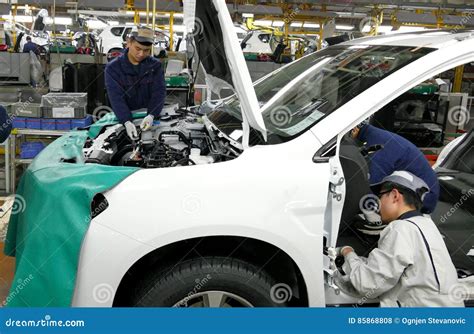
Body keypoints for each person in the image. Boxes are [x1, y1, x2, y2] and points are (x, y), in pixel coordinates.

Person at [337, 171, 463, 307]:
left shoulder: (401, 229)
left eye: (380, 196)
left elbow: (368, 284)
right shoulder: (426, 225)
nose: (378, 204)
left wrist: (348, 252)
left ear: (395, 195)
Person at [352, 122, 439, 214]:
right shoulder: (374, 135)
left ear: (354, 128)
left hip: (425, 197)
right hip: (423, 191)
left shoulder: (377, 142)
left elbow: (373, 181)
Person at [105, 26, 166, 140]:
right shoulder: (113, 68)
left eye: (146, 50)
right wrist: (126, 121)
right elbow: (116, 97)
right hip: (123, 117)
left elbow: (159, 92)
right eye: (138, 48)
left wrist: (152, 115)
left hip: (149, 117)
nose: (141, 54)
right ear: (129, 43)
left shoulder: (155, 66)